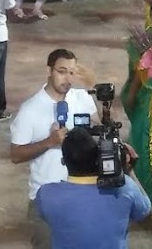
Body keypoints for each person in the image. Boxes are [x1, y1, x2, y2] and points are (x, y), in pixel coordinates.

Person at [11, 49, 99, 249]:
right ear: (49, 71)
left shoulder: (82, 98)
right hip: (46, 199)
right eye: (61, 71)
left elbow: (101, 128)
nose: (67, 78)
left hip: (83, 193)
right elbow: (15, 154)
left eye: (71, 72)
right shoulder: (30, 109)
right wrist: (49, 142)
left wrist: (95, 90)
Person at [35, 128, 152, 249]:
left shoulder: (46, 195)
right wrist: (129, 171)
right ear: (98, 158)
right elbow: (145, 211)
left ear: (64, 161)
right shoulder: (124, 187)